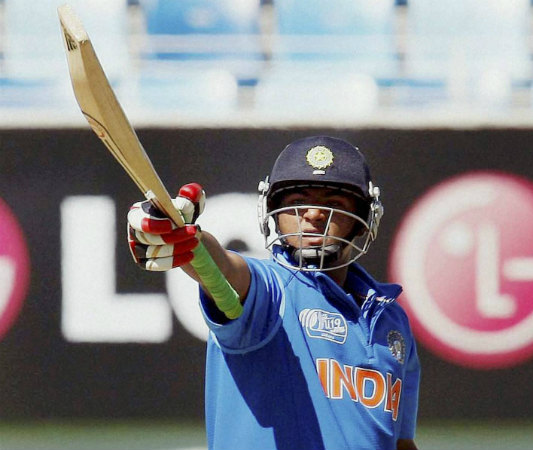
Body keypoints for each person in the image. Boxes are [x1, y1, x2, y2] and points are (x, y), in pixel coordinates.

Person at [127, 136, 421, 450]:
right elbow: (224, 268)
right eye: (297, 200)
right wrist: (187, 239)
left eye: (334, 203)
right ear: (274, 212)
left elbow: (400, 442)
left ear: (363, 220)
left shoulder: (391, 320)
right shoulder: (271, 290)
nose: (313, 214)